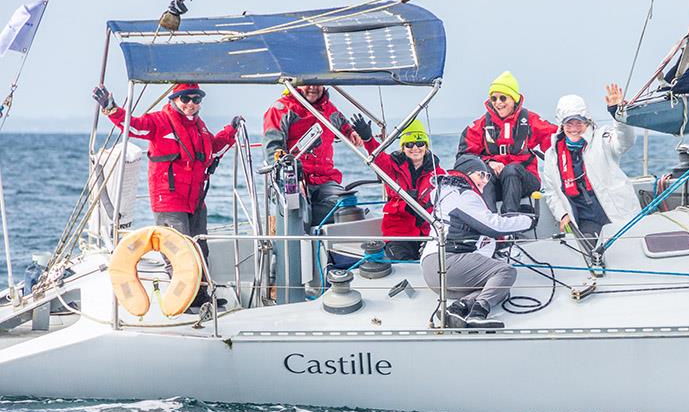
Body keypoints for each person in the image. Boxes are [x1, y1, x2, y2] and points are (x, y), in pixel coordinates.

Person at [92, 82, 242, 306]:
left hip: (196, 200)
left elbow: (214, 147)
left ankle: (201, 297)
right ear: (174, 100)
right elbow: (135, 126)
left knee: (200, 248)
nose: (191, 104)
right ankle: (184, 300)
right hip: (169, 199)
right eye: (185, 99)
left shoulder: (199, 127)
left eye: (196, 99)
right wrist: (112, 108)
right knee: (179, 251)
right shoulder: (159, 121)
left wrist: (231, 130)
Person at [420, 155, 533, 329]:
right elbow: (493, 227)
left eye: (488, 176)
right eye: (482, 174)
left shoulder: (446, 192)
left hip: (435, 272)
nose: (485, 180)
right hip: (445, 263)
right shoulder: (462, 195)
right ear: (467, 173)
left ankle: (456, 309)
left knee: (497, 288)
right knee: (506, 272)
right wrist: (528, 221)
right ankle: (477, 315)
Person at [541, 83, 640, 243]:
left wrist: (618, 115)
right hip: (587, 221)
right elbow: (551, 192)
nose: (574, 128)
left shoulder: (603, 138)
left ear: (587, 122)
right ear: (561, 125)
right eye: (569, 123)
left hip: (618, 216)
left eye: (579, 122)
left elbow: (625, 141)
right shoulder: (552, 155)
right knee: (589, 253)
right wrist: (562, 214)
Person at [262, 85, 363, 228]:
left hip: (325, 180)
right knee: (295, 208)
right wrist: (292, 175)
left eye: (317, 83)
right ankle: (297, 217)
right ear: (295, 83)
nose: (313, 87)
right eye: (307, 82)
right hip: (291, 179)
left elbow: (342, 124)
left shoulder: (329, 109)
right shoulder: (280, 109)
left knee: (346, 207)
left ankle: (304, 217)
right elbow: (272, 149)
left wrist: (351, 133)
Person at [458, 71, 557, 213]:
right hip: (495, 183)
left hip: (525, 180)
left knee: (511, 170)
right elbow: (463, 158)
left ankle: (509, 220)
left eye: (503, 98)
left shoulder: (530, 121)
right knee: (485, 175)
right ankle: (489, 222)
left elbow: (556, 142)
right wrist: (487, 163)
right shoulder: (481, 125)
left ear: (514, 99)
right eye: (494, 98)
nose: (498, 102)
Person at [351, 116, 447, 261]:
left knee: (434, 262)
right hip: (398, 234)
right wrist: (368, 139)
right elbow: (377, 158)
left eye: (420, 143)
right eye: (409, 144)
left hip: (428, 234)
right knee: (404, 264)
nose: (415, 148)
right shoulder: (392, 166)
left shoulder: (437, 172)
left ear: (426, 146)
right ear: (403, 147)